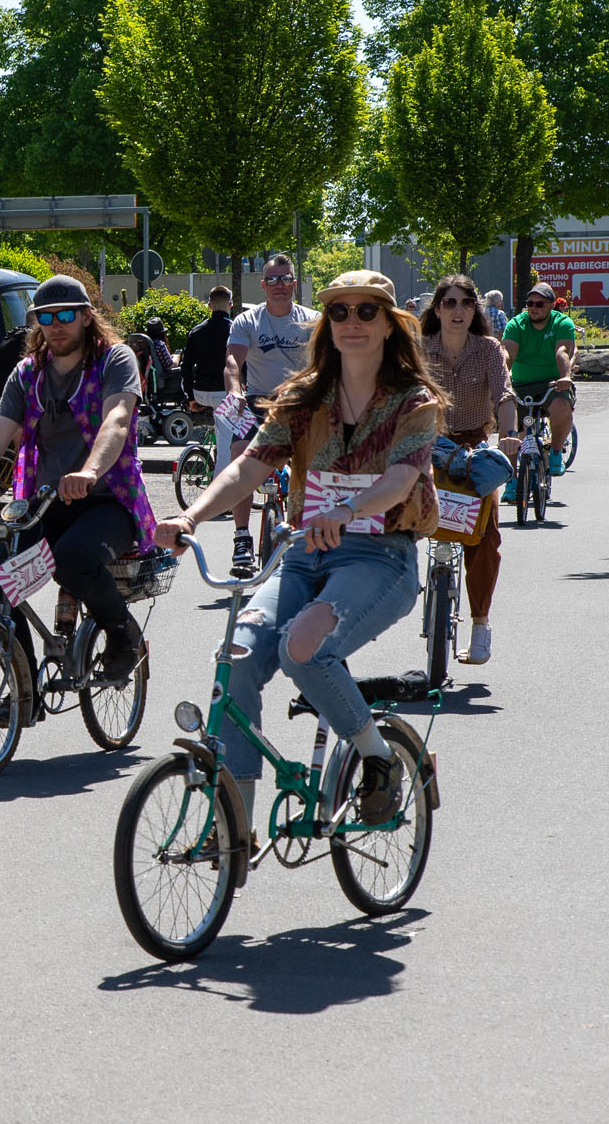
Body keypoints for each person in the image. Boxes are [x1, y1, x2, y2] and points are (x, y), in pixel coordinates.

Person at [155, 269, 446, 829]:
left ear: (389, 324)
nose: (352, 322)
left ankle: (377, 759)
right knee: (235, 655)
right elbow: (248, 466)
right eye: (339, 311)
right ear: (326, 324)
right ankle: (231, 825)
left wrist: (345, 511)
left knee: (304, 647)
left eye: (367, 311)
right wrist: (189, 514)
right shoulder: (302, 398)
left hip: (380, 556)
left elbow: (399, 482)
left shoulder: (414, 402)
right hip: (303, 553)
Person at [0, 273, 155, 687]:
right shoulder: (28, 374)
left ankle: (123, 635)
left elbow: (116, 419)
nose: (55, 324)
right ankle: (23, 687)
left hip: (107, 501)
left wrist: (90, 471)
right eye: (45, 317)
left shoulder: (115, 361)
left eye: (65, 315)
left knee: (73, 561)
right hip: (46, 504)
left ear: (86, 317)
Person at [420, 274, 518, 664]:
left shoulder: (489, 349)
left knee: (485, 536)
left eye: (465, 303)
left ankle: (480, 625)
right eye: (449, 303)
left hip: (475, 448)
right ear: (438, 309)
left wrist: (509, 434)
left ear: (474, 309)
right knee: (393, 518)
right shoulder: (421, 348)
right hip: (427, 446)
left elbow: (504, 395)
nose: (457, 310)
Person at [223, 253, 318, 575]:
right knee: (240, 456)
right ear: (263, 285)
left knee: (318, 462)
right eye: (273, 280)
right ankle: (241, 538)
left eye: (286, 279)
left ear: (294, 283)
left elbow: (327, 363)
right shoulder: (247, 321)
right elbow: (233, 363)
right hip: (258, 402)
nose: (280, 285)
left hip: (300, 403)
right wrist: (234, 390)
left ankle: (313, 533)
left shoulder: (313, 320)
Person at [502, 281, 577, 475]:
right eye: (530, 303)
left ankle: (555, 451)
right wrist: (500, 379)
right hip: (520, 384)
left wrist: (565, 377)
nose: (534, 308)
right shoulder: (516, 324)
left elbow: (562, 352)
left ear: (551, 305)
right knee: (508, 423)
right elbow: (508, 353)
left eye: (540, 304)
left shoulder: (562, 323)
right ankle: (511, 478)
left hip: (552, 384)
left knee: (561, 406)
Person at [182, 285, 235, 470]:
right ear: (230, 305)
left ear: (209, 306)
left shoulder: (197, 331)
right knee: (228, 443)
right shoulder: (235, 330)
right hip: (226, 394)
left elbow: (186, 367)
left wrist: (190, 396)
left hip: (201, 393)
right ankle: (222, 482)